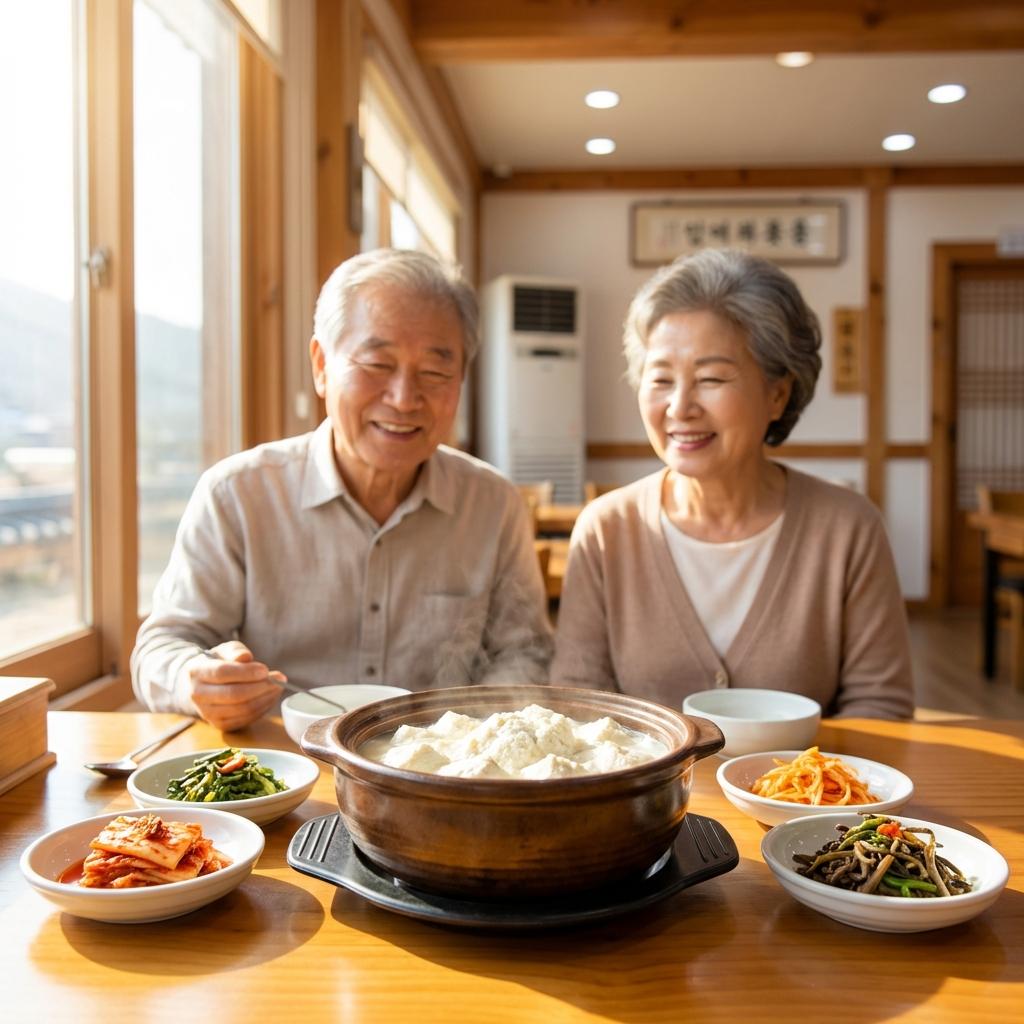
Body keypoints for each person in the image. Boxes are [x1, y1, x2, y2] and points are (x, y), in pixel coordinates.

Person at [132, 249, 552, 730]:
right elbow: (161, 646)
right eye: (377, 363)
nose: (403, 398)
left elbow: (525, 653)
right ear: (321, 365)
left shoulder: (492, 505)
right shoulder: (237, 495)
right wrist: (198, 679)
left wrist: (465, 733)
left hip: (437, 773)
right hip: (280, 775)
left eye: (435, 373)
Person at [551, 248, 914, 719]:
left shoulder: (847, 528)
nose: (680, 407)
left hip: (799, 794)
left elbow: (880, 707)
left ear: (777, 394)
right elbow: (578, 703)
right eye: (660, 379)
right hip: (645, 795)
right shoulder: (607, 529)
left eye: (711, 378)